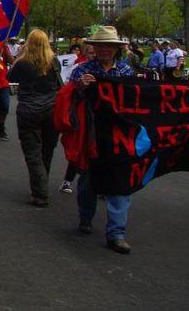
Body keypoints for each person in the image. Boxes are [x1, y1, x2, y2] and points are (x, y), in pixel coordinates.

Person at [67, 25, 136, 254]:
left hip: (119, 134)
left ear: (117, 49)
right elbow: (67, 98)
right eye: (100, 45)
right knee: (88, 179)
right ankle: (85, 217)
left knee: (119, 184)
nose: (105, 49)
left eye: (109, 46)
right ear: (94, 48)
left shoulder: (126, 72)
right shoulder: (82, 70)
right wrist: (81, 87)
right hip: (92, 133)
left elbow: (136, 103)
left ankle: (116, 233)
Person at [6, 29, 62, 207]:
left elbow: (10, 77)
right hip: (51, 109)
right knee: (47, 149)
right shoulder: (53, 62)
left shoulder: (23, 63)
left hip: (29, 109)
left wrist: (17, 57)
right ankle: (41, 184)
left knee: (32, 152)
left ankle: (40, 192)